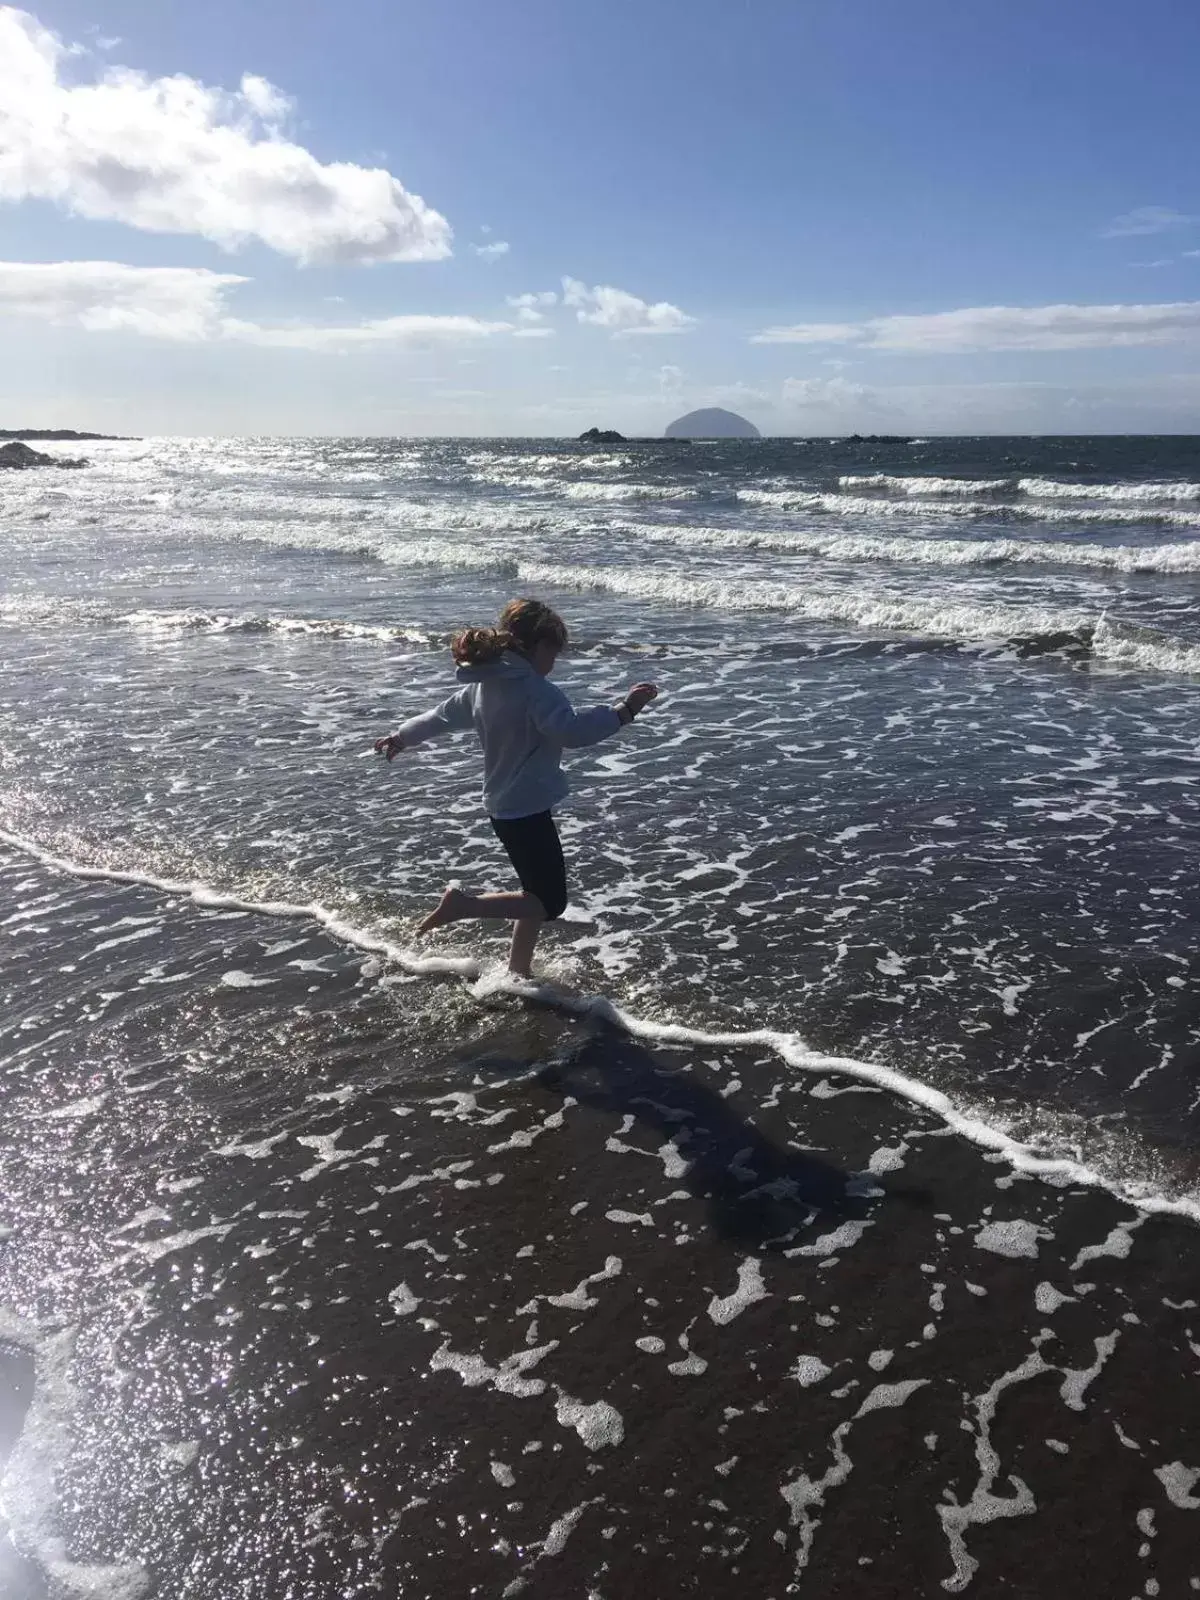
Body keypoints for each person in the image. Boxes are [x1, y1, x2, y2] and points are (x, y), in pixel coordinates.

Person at [374, 598, 658, 977]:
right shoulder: (537, 691)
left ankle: (518, 971)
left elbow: (439, 717)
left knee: (532, 894)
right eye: (553, 654)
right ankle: (464, 906)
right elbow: (571, 732)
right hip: (525, 807)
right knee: (550, 902)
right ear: (537, 646)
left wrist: (401, 736)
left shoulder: (483, 686)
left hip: (503, 805)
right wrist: (625, 712)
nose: (553, 663)